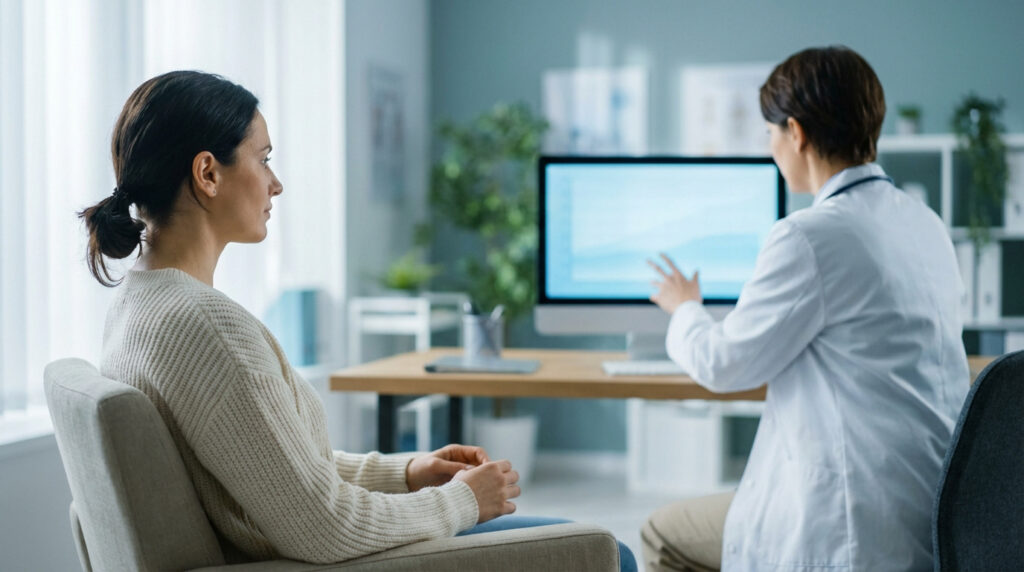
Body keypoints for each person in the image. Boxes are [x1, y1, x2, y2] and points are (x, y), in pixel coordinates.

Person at [79, 70, 636, 570]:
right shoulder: (206, 329)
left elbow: (277, 470)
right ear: (208, 173)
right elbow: (325, 526)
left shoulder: (139, 306)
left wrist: (408, 472)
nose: (276, 184)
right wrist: (464, 501)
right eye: (264, 158)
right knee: (616, 553)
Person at [643, 46, 969, 571]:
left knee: (663, 533)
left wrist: (686, 308)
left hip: (853, 522)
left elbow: (724, 365)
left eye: (771, 133)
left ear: (796, 133)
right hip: (935, 505)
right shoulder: (923, 222)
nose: (771, 147)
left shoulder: (810, 236)